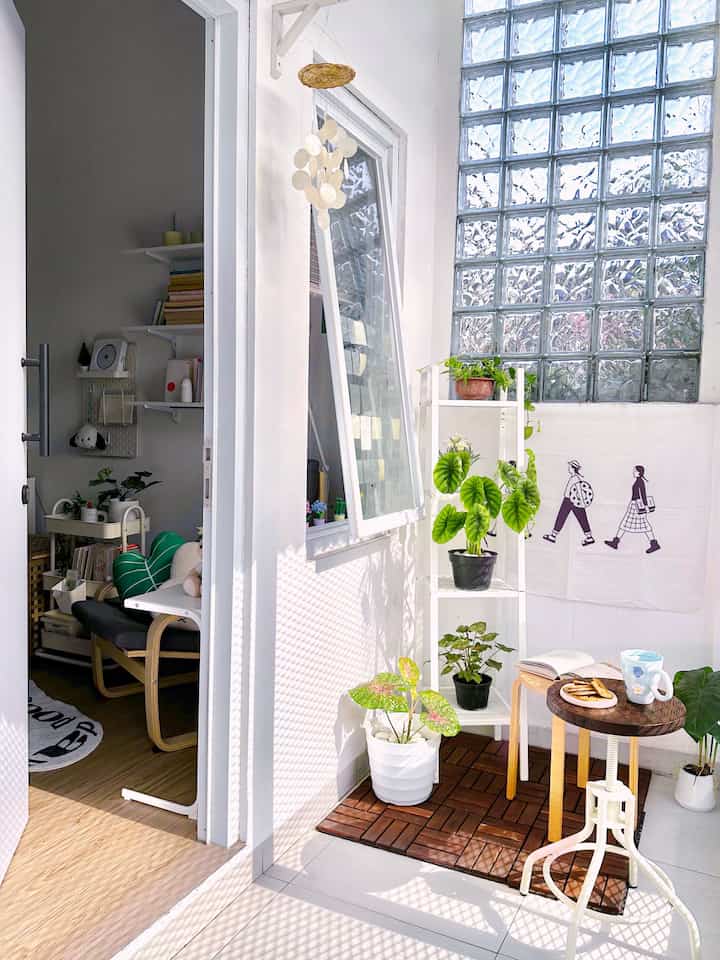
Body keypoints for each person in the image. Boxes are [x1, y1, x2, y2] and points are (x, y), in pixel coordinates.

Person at [605, 465, 660, 554]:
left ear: (639, 472)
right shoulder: (638, 481)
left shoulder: (640, 482)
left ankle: (654, 544)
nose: (633, 472)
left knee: (644, 525)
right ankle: (615, 542)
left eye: (634, 471)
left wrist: (645, 506)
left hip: (637, 506)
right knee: (628, 523)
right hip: (635, 505)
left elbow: (643, 494)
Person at [543, 460, 595, 546]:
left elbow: (579, 490)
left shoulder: (575, 478)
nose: (568, 468)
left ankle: (553, 535)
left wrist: (582, 502)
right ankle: (589, 537)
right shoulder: (574, 477)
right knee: (576, 517)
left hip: (572, 500)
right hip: (570, 500)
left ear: (573, 468)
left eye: (570, 467)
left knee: (566, 517)